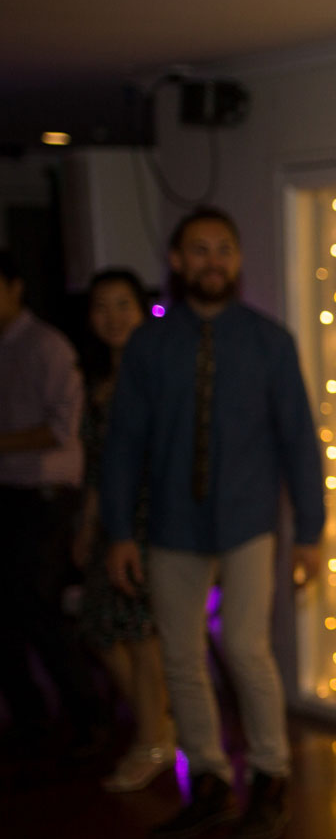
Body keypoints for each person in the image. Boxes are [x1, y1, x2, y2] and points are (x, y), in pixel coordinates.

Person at [100, 208, 325, 839]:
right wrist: (119, 530)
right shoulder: (150, 345)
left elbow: (299, 442)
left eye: (223, 249)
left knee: (246, 650)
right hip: (173, 524)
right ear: (175, 261)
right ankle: (209, 781)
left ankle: (271, 777)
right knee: (180, 655)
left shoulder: (268, 342)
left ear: (238, 260)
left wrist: (310, 530)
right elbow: (123, 445)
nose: (212, 261)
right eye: (198, 250)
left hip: (249, 519)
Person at [72, 268, 177, 792]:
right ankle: (157, 727)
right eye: (100, 307)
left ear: (142, 311)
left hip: (146, 520)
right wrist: (88, 524)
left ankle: (153, 740)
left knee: (140, 636)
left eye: (122, 305)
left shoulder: (156, 377)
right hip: (111, 517)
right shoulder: (100, 382)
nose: (111, 318)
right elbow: (97, 465)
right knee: (99, 628)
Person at [0, 247, 102, 760]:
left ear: (15, 287)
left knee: (38, 604)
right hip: (9, 491)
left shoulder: (47, 347)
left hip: (45, 494)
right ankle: (30, 716)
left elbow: (62, 429)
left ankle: (84, 711)